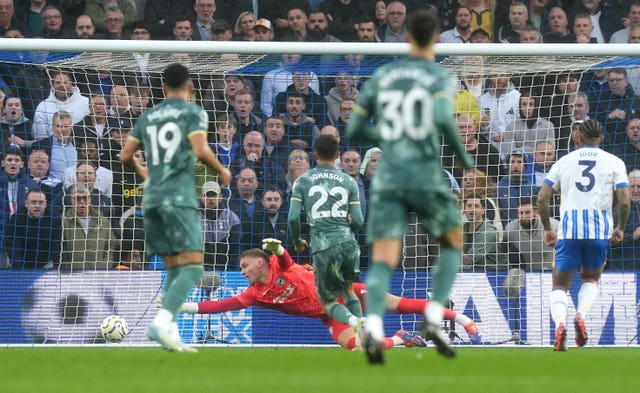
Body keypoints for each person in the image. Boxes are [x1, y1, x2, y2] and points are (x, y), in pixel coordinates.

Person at [346, 9, 473, 363]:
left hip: (388, 176)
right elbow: (446, 121)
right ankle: (433, 315)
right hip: (424, 172)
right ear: (435, 39)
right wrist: (464, 158)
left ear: (406, 39)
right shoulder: (437, 77)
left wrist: (387, 133)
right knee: (452, 242)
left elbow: (353, 131)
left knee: (384, 258)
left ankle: (372, 324)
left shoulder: (382, 76)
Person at [177, 241, 482, 349]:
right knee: (357, 346)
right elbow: (220, 305)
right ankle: (403, 338)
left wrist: (280, 248)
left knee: (397, 304)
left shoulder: (280, 265)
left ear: (260, 261)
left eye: (245, 266)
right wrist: (184, 305)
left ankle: (461, 317)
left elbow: (285, 260)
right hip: (326, 313)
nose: (242, 271)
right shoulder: (254, 295)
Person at [119, 63, 232, 352]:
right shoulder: (193, 112)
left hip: (152, 199)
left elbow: (126, 156)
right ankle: (162, 321)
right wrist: (221, 170)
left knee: (173, 267)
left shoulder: (148, 115)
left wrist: (146, 174)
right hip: (179, 198)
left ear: (162, 88)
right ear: (191, 87)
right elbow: (199, 149)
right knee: (194, 269)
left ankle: (168, 334)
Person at [537, 119, 630, 351]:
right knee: (590, 279)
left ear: (578, 136)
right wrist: (620, 227)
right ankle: (580, 315)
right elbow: (625, 201)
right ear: (601, 138)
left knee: (559, 285)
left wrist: (548, 228)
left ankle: (560, 325)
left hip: (569, 232)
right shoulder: (614, 162)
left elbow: (542, 198)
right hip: (599, 232)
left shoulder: (564, 161)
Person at [288, 134, 366, 347]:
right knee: (349, 290)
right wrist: (345, 230)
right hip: (349, 243)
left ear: (314, 155)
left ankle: (353, 321)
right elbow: (359, 220)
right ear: (338, 155)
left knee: (326, 301)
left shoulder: (302, 180)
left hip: (323, 245)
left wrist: (296, 240)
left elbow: (293, 218)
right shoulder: (349, 181)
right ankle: (362, 335)